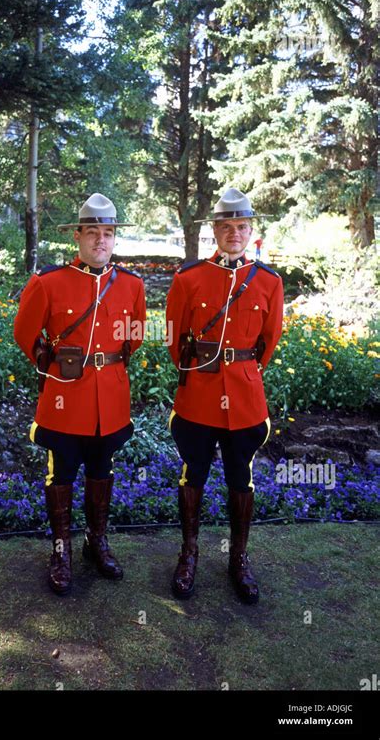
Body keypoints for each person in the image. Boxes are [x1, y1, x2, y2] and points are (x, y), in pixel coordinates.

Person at [14, 193, 146, 595]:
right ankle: (61, 551)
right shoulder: (48, 283)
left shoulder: (131, 285)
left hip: (109, 398)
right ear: (77, 236)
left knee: (101, 471)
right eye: (93, 233)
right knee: (62, 473)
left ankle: (96, 543)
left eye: (108, 234)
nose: (101, 242)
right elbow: (24, 333)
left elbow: (135, 336)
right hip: (64, 396)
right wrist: (52, 363)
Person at [165, 187, 284, 604]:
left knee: (241, 478)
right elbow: (174, 337)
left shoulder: (269, 281)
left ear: (252, 231)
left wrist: (242, 370)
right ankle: (189, 553)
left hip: (246, 399)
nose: (234, 233)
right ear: (215, 230)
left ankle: (238, 558)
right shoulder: (189, 277)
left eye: (242, 226)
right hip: (198, 392)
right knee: (193, 473)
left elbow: (269, 342)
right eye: (227, 226)